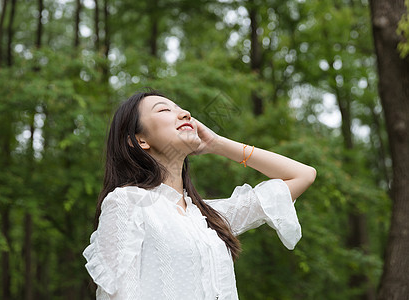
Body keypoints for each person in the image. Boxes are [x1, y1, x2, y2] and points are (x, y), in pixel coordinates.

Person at [83, 91, 316, 300]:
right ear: (140, 140)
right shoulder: (127, 202)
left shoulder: (209, 218)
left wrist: (217, 143)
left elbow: (303, 175)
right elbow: (119, 295)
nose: (184, 113)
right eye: (164, 109)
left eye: (181, 109)